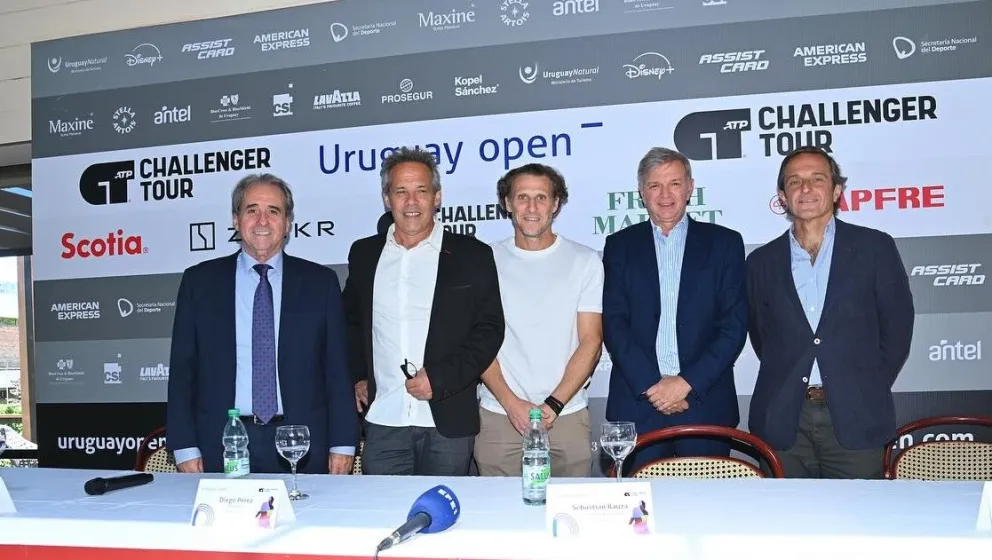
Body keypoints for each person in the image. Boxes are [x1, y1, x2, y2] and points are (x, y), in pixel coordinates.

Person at [167, 173, 358, 475]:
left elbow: (336, 370)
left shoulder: (320, 283)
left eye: (273, 211)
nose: (262, 221)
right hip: (221, 442)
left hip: (301, 445)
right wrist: (184, 446)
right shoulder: (199, 282)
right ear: (235, 219)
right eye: (252, 209)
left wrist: (343, 443)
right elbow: (182, 373)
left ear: (287, 222)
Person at [746, 146, 914, 479]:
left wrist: (862, 384)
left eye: (817, 179)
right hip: (783, 422)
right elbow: (762, 337)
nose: (805, 189)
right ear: (782, 196)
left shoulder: (874, 248)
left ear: (836, 191)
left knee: (861, 525)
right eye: (794, 181)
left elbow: (897, 331)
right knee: (787, 526)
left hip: (856, 418)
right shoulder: (760, 263)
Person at [343, 147, 504, 476]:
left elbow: (489, 330)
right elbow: (350, 322)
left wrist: (441, 379)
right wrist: (359, 375)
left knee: (446, 523)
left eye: (421, 191)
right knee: (384, 519)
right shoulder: (364, 254)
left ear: (437, 197)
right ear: (387, 199)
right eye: (401, 191)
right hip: (383, 421)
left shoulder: (472, 255)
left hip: (447, 422)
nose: (411, 202)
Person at [602, 147, 748, 471]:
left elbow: (734, 325)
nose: (665, 194)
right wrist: (654, 387)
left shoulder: (725, 244)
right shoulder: (619, 246)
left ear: (690, 187)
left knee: (705, 512)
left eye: (675, 183)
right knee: (636, 514)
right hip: (639, 403)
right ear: (641, 192)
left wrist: (686, 383)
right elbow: (614, 323)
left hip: (704, 402)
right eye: (655, 185)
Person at [475, 163, 603, 477]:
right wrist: (510, 403)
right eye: (522, 197)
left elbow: (591, 341)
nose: (532, 208)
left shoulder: (585, 261)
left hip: (567, 415)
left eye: (541, 198)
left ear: (556, 204)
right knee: (499, 518)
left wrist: (554, 405)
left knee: (570, 519)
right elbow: (477, 343)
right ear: (507, 203)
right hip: (499, 416)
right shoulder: (483, 261)